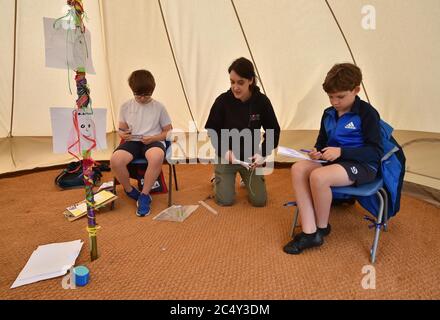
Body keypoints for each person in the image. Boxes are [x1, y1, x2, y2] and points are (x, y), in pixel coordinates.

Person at [283, 63, 383, 254]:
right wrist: (317, 152)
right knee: (297, 168)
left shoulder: (367, 113)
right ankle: (309, 230)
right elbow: (322, 142)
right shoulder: (328, 114)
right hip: (335, 162)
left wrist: (341, 152)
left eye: (340, 97)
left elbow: (375, 152)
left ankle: (320, 230)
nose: (334, 102)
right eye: (330, 97)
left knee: (319, 177)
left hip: (362, 165)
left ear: (356, 90)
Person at [205, 57, 280, 207]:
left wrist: (262, 153)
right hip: (227, 156)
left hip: (250, 157)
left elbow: (273, 130)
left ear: (250, 80)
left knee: (259, 201)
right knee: (225, 201)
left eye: (240, 82)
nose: (235, 87)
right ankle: (218, 177)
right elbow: (212, 130)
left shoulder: (262, 102)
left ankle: (243, 178)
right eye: (232, 82)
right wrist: (224, 151)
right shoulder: (222, 101)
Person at [110, 69, 172, 217]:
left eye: (147, 95)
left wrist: (154, 138)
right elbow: (121, 130)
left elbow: (168, 132)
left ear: (153, 90)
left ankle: (144, 195)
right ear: (132, 90)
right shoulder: (126, 106)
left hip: (153, 140)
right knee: (115, 160)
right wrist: (122, 133)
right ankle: (130, 190)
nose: (143, 98)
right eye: (138, 95)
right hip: (133, 141)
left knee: (156, 156)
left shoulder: (159, 107)